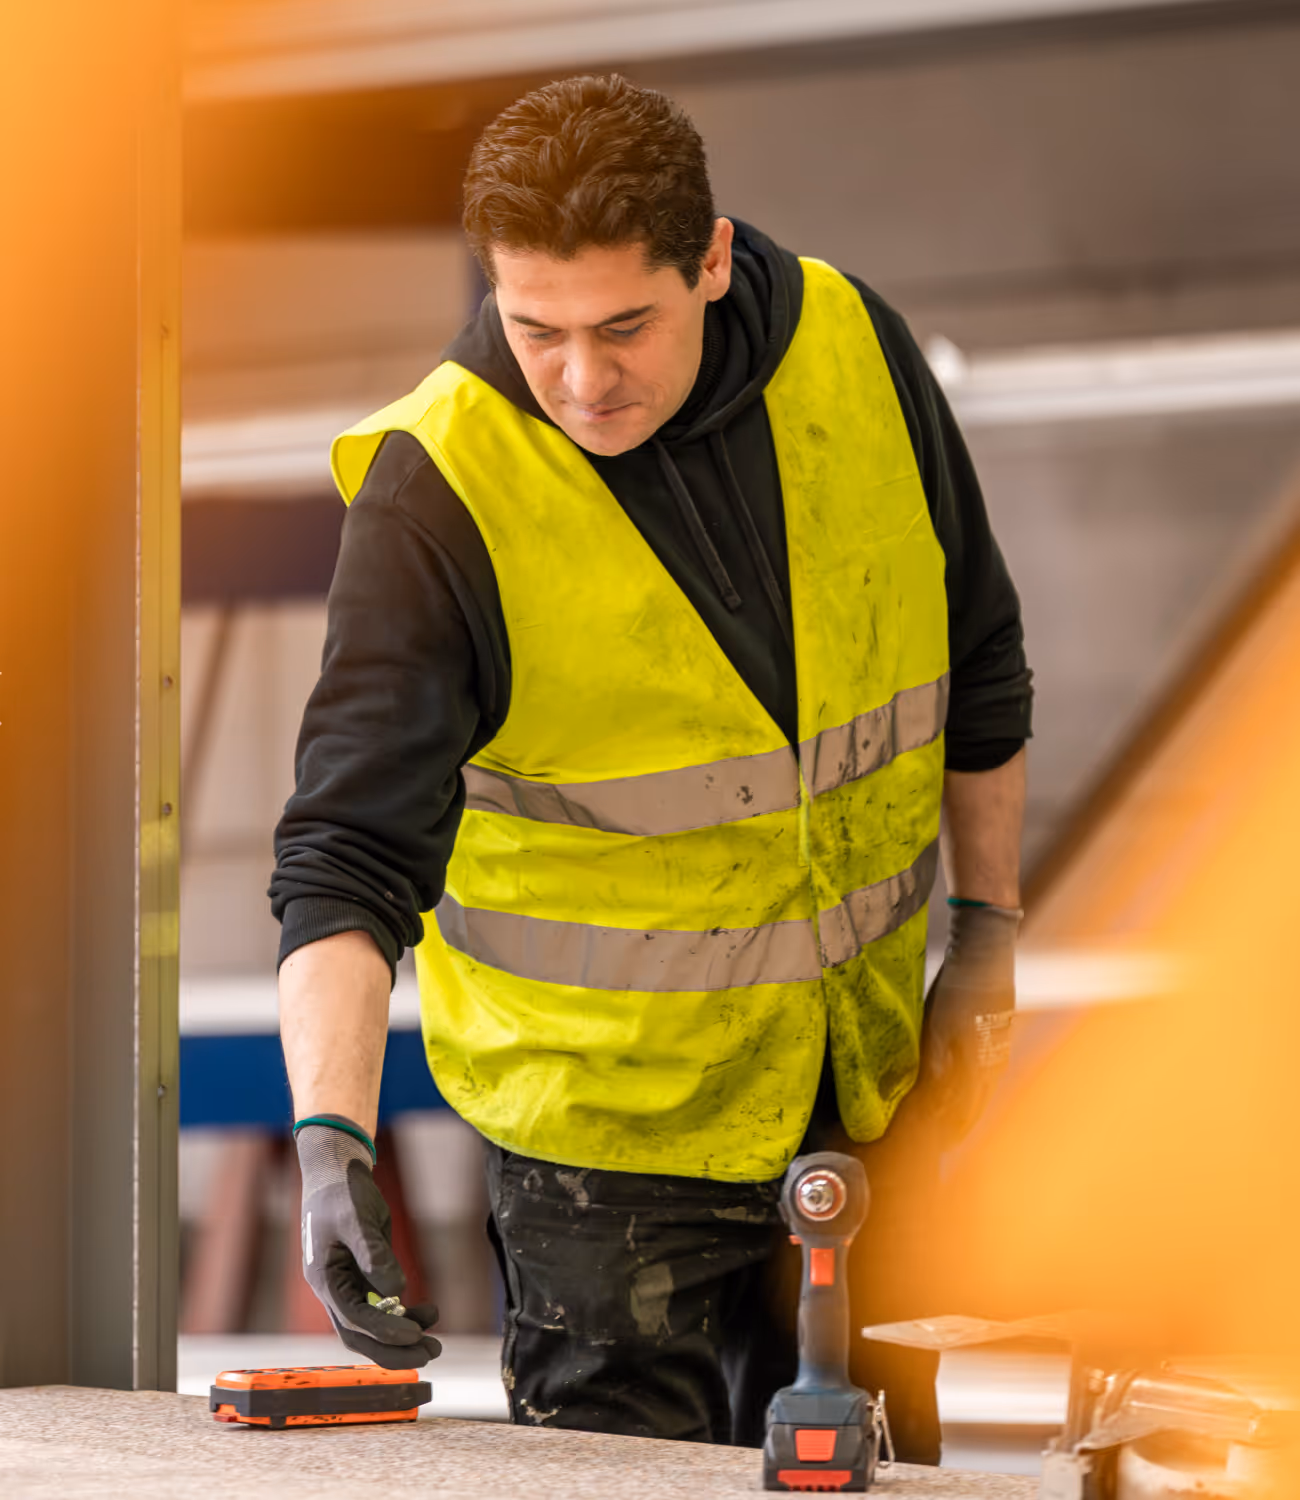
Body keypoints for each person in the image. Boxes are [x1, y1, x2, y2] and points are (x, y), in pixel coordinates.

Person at [272, 74, 1032, 1463]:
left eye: (626, 324)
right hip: (602, 1168)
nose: (581, 379)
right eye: (536, 328)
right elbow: (343, 859)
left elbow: (978, 658)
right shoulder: (441, 489)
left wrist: (987, 930)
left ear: (714, 258)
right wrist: (333, 1137)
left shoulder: (857, 352)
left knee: (872, 1481)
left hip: (860, 1100)